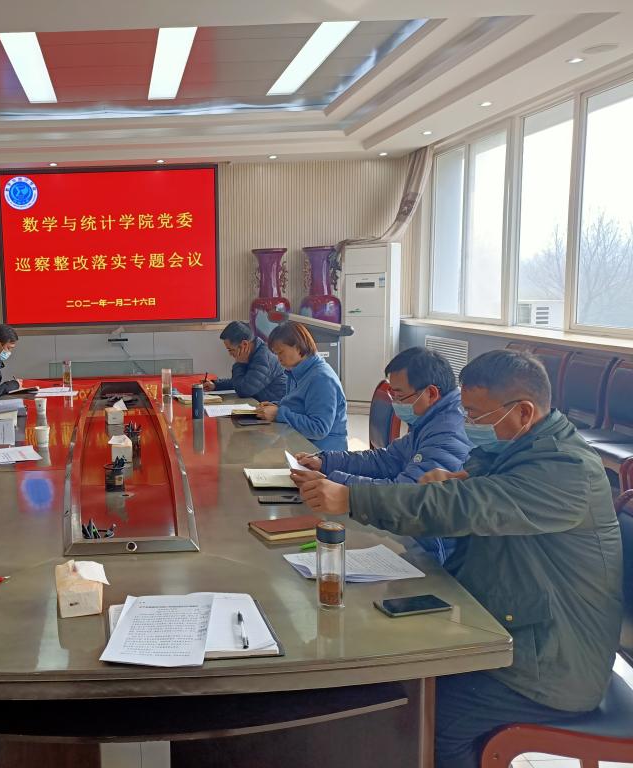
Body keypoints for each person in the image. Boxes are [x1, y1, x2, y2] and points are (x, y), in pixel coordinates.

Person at [293, 350, 622, 768]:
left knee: (430, 719)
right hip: (525, 626)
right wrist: (457, 478)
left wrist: (351, 498)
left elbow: (467, 506)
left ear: (523, 412)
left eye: (477, 416)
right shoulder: (528, 446)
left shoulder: (567, 469)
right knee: (399, 673)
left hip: (553, 666)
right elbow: (480, 487)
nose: (467, 423)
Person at [294, 347, 471, 565]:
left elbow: (407, 495)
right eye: (392, 395)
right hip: (411, 534)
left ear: (431, 394)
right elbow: (387, 459)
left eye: (400, 396)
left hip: (434, 553)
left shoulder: (448, 433)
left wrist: (336, 484)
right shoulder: (431, 419)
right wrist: (326, 462)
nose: (395, 403)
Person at [255, 321, 348, 451]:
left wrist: (278, 413)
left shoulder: (321, 378)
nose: (278, 358)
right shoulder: (296, 372)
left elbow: (318, 429)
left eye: (281, 352)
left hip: (324, 454)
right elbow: (299, 406)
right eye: (276, 354)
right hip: (302, 446)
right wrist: (276, 406)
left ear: (298, 347)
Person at [204, 320, 287, 402]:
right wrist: (216, 385)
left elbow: (244, 391)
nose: (230, 354)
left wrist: (239, 363)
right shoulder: (254, 351)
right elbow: (242, 381)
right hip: (260, 403)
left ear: (244, 344)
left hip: (275, 407)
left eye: (230, 350)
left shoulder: (263, 358)